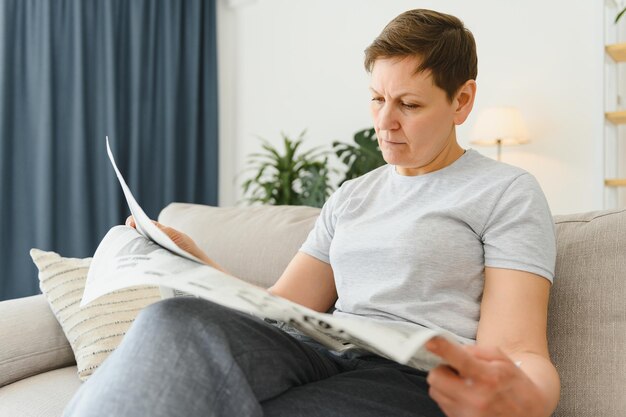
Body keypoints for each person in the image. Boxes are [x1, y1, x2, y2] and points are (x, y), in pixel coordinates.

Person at [64, 9, 559, 417]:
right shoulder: (352, 196)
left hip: (412, 378)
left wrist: (523, 400)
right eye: (377, 99)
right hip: (320, 355)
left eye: (408, 104)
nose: (384, 123)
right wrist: (196, 261)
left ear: (462, 101)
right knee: (172, 320)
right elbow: (282, 306)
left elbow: (520, 352)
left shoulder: (505, 191)